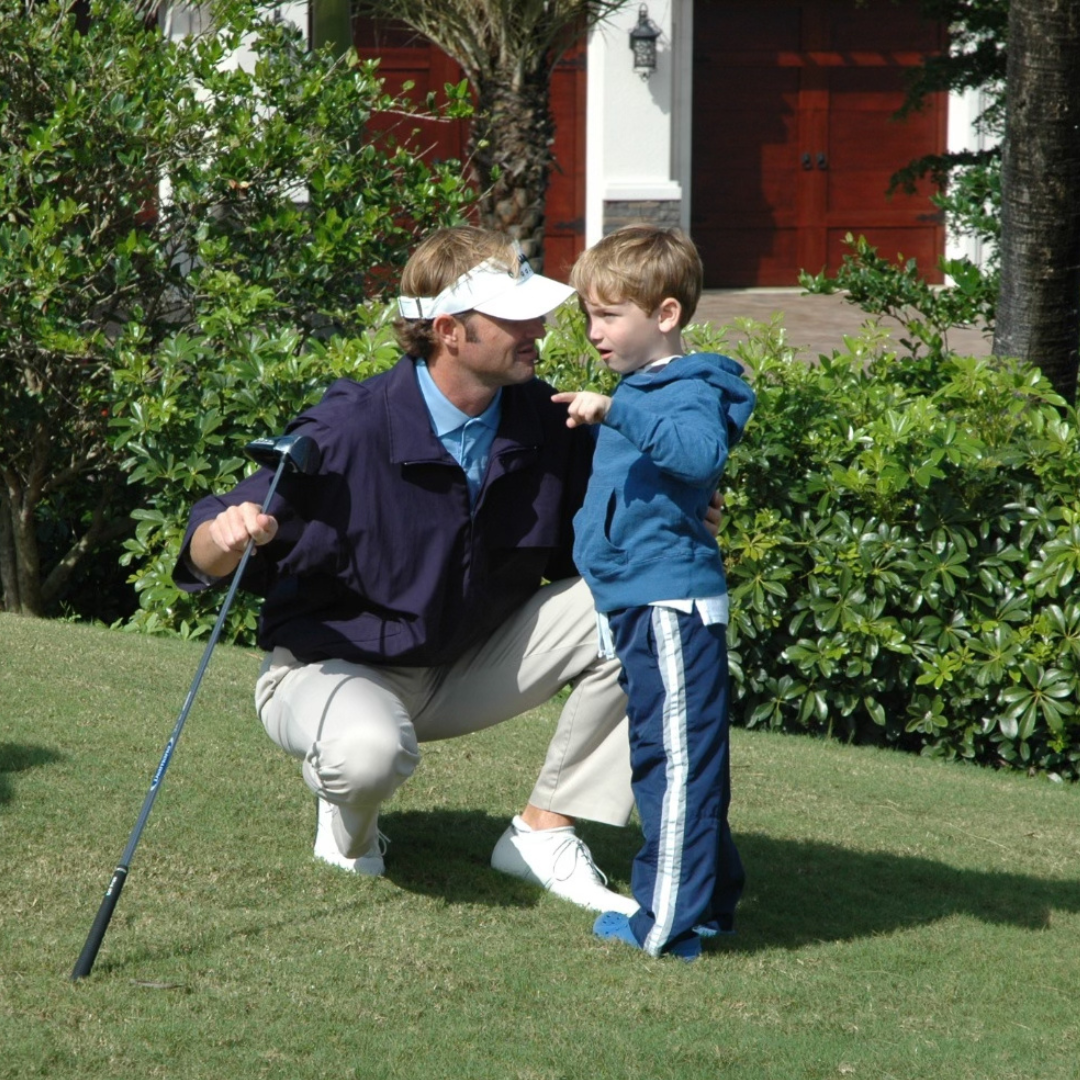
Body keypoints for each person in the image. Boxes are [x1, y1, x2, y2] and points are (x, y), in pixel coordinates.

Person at [174, 225, 642, 915]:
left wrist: (669, 520)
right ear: (450, 331)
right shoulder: (350, 428)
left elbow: (600, 542)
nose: (538, 325)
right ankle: (349, 826)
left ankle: (544, 832)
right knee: (367, 752)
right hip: (331, 672)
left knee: (652, 601)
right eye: (514, 317)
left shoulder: (544, 424)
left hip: (469, 665)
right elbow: (204, 548)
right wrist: (225, 534)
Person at [551, 224, 755, 960]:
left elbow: (699, 452)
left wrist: (617, 410)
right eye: (589, 316)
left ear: (665, 316)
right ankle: (708, 906)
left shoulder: (687, 388)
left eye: (609, 315)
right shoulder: (648, 388)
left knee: (673, 766)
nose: (594, 331)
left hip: (671, 605)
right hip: (641, 603)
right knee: (676, 757)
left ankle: (663, 924)